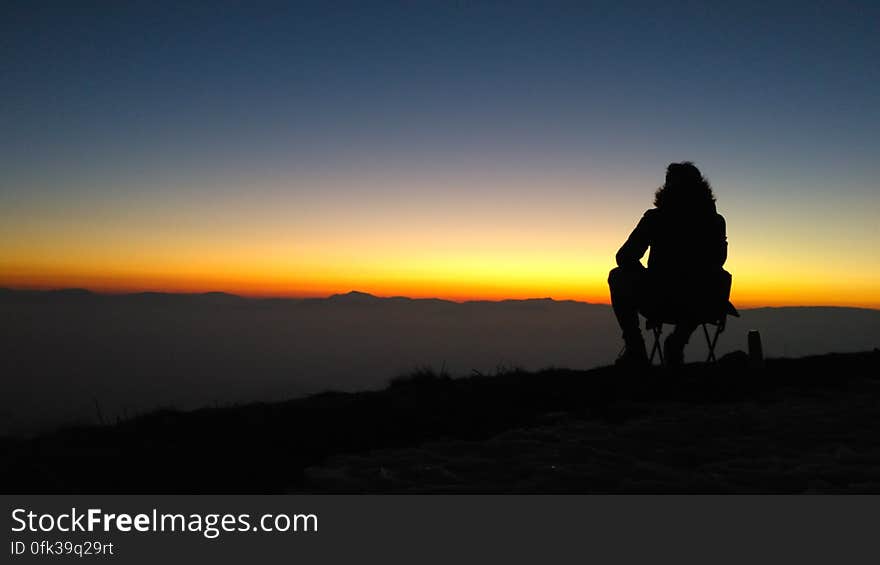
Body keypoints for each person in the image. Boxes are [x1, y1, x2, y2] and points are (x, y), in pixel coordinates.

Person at [608, 162, 729, 366]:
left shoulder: (654, 219)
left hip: (660, 301)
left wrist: (644, 274)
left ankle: (635, 348)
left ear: (667, 188)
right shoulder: (716, 221)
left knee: (617, 275)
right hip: (703, 304)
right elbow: (718, 263)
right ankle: (677, 342)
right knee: (704, 283)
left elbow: (624, 257)